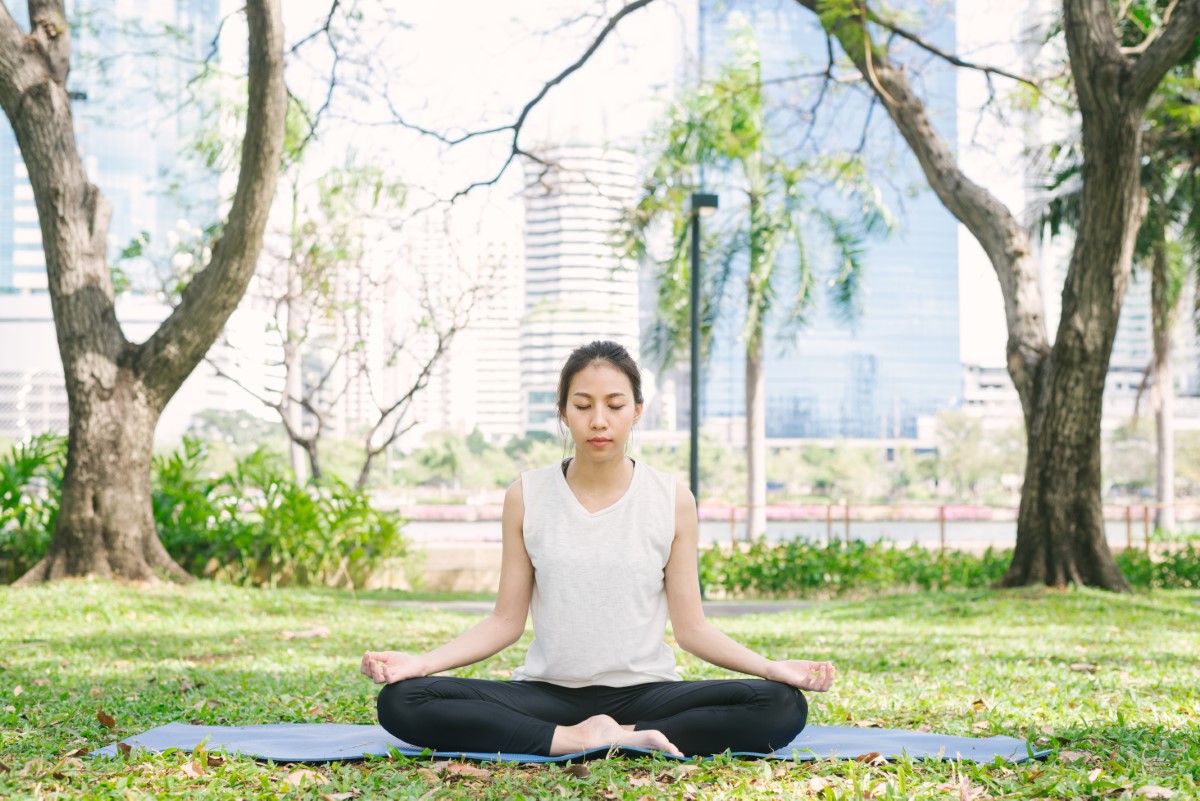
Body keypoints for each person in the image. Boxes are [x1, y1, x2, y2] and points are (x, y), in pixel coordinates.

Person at [361, 340, 835, 757]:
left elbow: (692, 630)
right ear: (563, 412)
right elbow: (505, 622)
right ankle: (575, 738)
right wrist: (419, 664)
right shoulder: (526, 494)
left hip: (646, 693)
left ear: (637, 410)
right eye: (583, 405)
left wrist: (773, 668)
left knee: (781, 705)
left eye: (614, 404)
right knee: (403, 701)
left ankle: (621, 732)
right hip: (549, 693)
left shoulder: (672, 498)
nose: (599, 421)